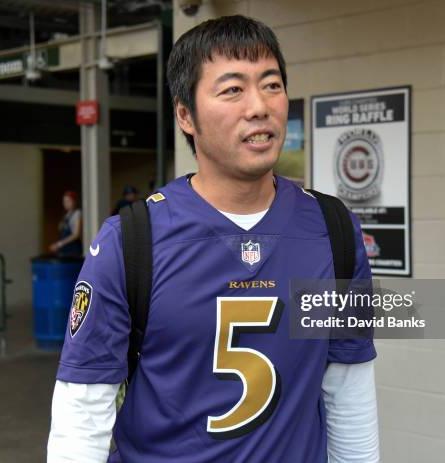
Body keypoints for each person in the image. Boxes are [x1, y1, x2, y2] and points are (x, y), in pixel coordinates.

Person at [48, 15, 379, 463]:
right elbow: (83, 411)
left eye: (272, 84)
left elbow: (348, 387)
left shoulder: (335, 230)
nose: (259, 106)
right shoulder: (130, 242)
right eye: (232, 89)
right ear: (185, 115)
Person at [49, 190, 82, 257]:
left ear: (74, 201)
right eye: (64, 201)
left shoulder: (77, 214)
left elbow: (76, 234)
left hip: (73, 249)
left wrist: (59, 244)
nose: (66, 203)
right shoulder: (65, 215)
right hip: (64, 249)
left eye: (68, 201)